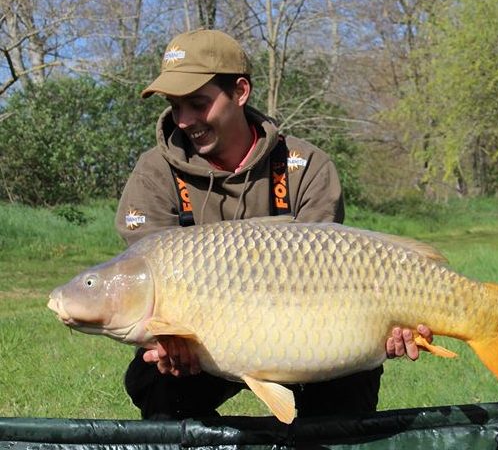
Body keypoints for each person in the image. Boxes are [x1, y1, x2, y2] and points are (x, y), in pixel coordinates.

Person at [115, 29, 432, 421]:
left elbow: (336, 282)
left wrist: (387, 329)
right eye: (175, 106)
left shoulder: (307, 166)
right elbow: (148, 283)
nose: (184, 121)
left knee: (350, 384)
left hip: (303, 333)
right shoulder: (154, 173)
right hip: (202, 345)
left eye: (197, 103)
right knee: (155, 383)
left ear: (241, 92)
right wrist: (168, 343)